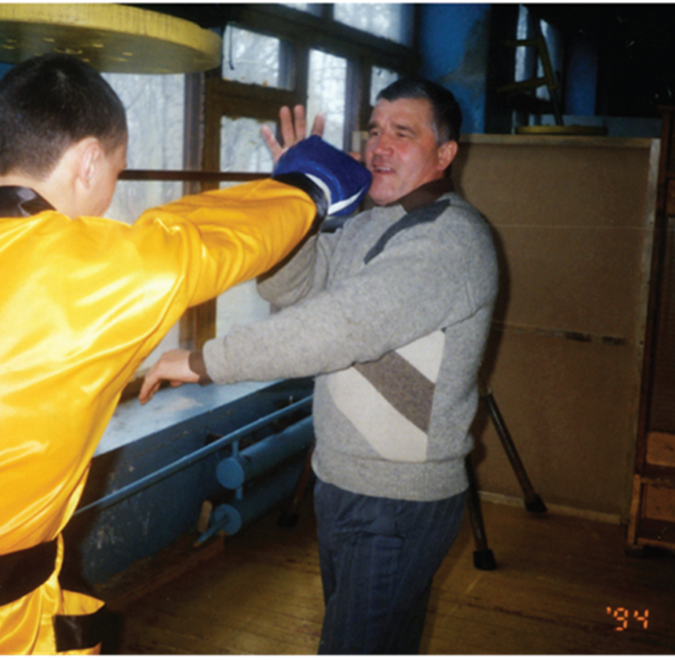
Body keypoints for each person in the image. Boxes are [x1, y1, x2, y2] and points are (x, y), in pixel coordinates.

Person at [0, 53, 369, 657]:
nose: (109, 198)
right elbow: (205, 236)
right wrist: (311, 183)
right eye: (116, 173)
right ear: (87, 161)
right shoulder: (92, 275)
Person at [139, 78, 499, 656]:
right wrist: (299, 201)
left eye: (402, 133)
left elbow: (338, 327)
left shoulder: (449, 240)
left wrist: (204, 361)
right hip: (345, 484)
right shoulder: (368, 224)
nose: (379, 146)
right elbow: (291, 289)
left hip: (396, 502)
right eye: (374, 131)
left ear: (445, 153)